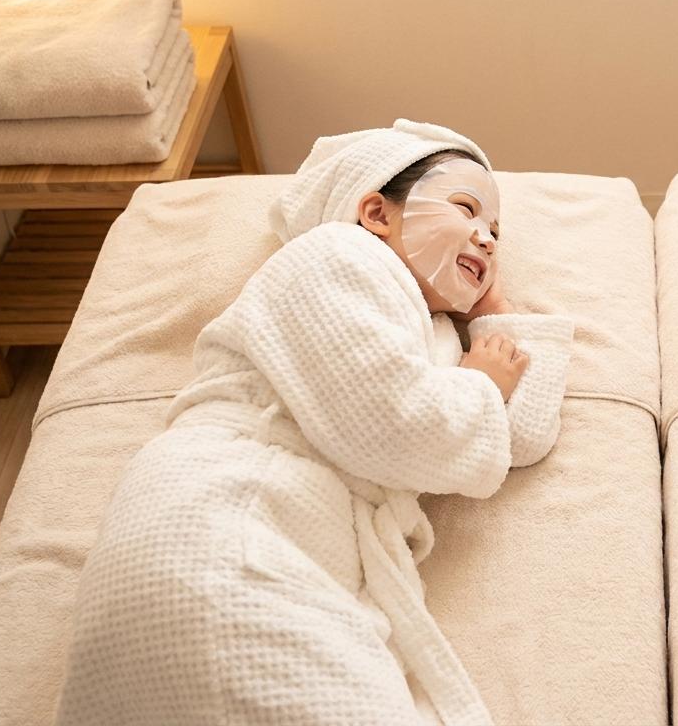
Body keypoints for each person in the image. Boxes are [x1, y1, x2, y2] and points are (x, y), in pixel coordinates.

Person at [58, 120, 573, 726]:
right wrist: (482, 383)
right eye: (466, 209)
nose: (486, 239)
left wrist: (496, 313)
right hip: (224, 521)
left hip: (302, 553)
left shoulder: (431, 333)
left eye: (496, 234)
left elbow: (519, 437)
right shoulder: (334, 256)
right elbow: (392, 427)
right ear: (376, 213)